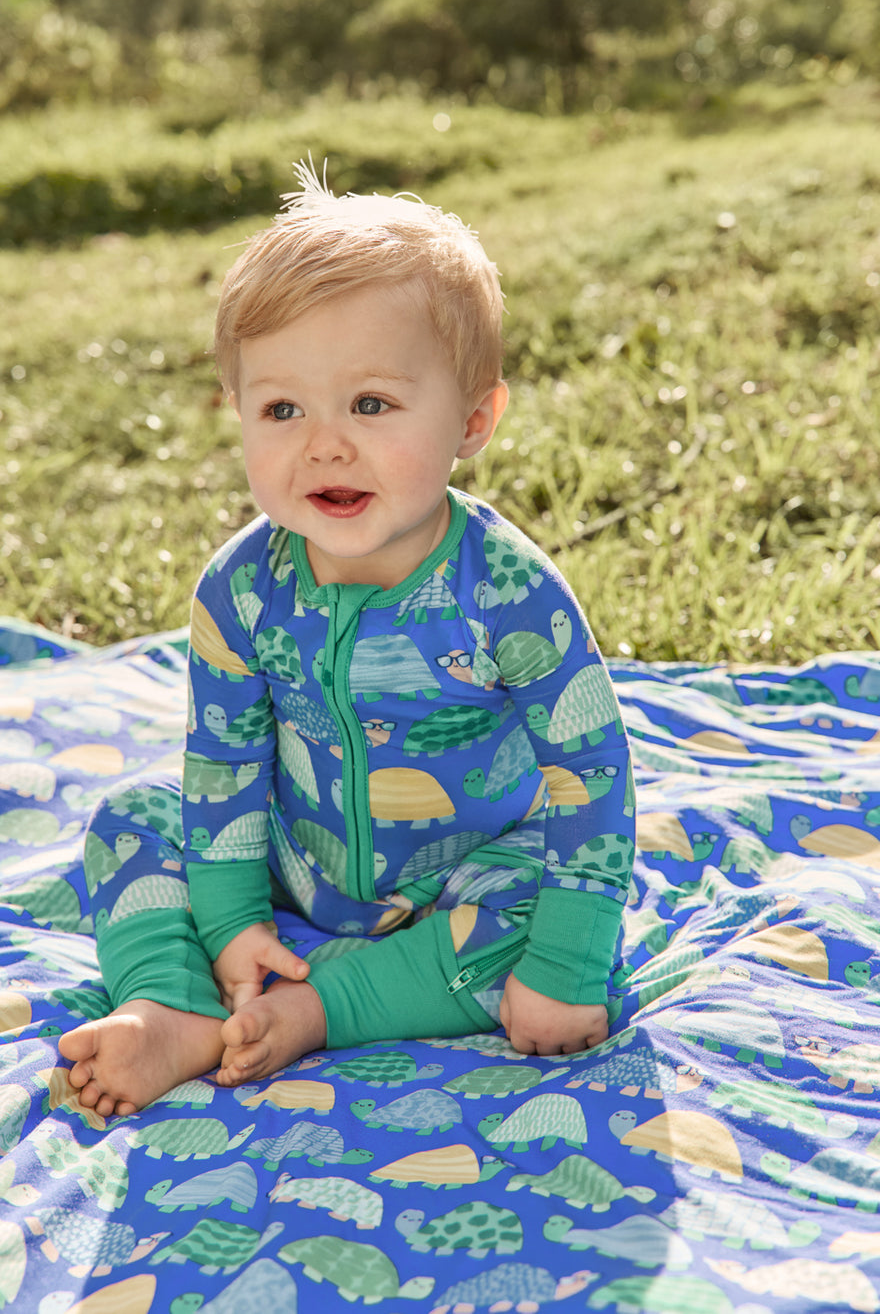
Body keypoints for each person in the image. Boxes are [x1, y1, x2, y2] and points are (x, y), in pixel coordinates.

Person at [59, 167, 636, 1117]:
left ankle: (321, 1009)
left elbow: (592, 770)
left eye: (370, 404)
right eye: (283, 410)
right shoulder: (242, 590)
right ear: (238, 413)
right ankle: (177, 1009)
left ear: (473, 421)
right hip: (296, 866)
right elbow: (224, 766)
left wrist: (567, 967)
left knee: (556, 907)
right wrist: (236, 916)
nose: (323, 444)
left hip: (466, 873)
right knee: (138, 818)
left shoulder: (509, 592)